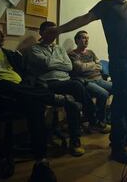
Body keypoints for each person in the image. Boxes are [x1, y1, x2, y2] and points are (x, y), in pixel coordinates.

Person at [40, 0, 127, 163]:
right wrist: (60, 29)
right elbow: (85, 18)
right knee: (121, 104)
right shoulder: (105, 5)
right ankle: (117, 147)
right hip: (120, 62)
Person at [0, 23, 62, 181]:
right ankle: (50, 96)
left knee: (35, 106)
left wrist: (26, 87)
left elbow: (28, 75)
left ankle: (41, 163)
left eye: (3, 33)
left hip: (20, 96)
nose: (3, 36)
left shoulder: (13, 55)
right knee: (6, 84)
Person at [25, 21, 101, 157]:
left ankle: (75, 141)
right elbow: (46, 63)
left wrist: (53, 63)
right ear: (41, 33)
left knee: (73, 101)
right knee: (78, 84)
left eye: (55, 32)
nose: (53, 34)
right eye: (49, 31)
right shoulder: (34, 49)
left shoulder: (59, 48)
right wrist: (58, 63)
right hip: (49, 83)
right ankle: (93, 118)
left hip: (65, 82)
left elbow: (69, 67)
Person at [68, 30, 111, 133]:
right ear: (77, 40)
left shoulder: (91, 52)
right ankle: (99, 122)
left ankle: (108, 116)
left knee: (118, 88)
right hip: (86, 82)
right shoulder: (72, 54)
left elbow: (100, 66)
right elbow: (80, 68)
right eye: (83, 38)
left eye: (87, 38)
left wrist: (88, 66)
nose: (86, 40)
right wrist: (92, 65)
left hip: (98, 79)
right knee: (103, 94)